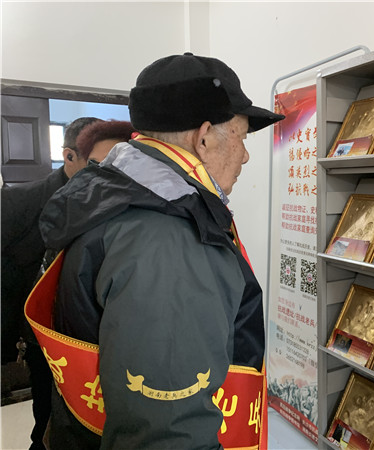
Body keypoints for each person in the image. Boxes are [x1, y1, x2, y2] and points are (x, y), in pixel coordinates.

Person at [28, 53, 284, 449]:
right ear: (204, 137)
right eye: (242, 137)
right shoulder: (168, 239)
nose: (246, 155)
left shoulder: (112, 193)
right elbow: (166, 433)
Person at [1, 116, 100, 450]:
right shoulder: (19, 201)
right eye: (95, 163)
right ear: (69, 156)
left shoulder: (112, 203)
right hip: (42, 336)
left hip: (92, 338)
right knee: (47, 423)